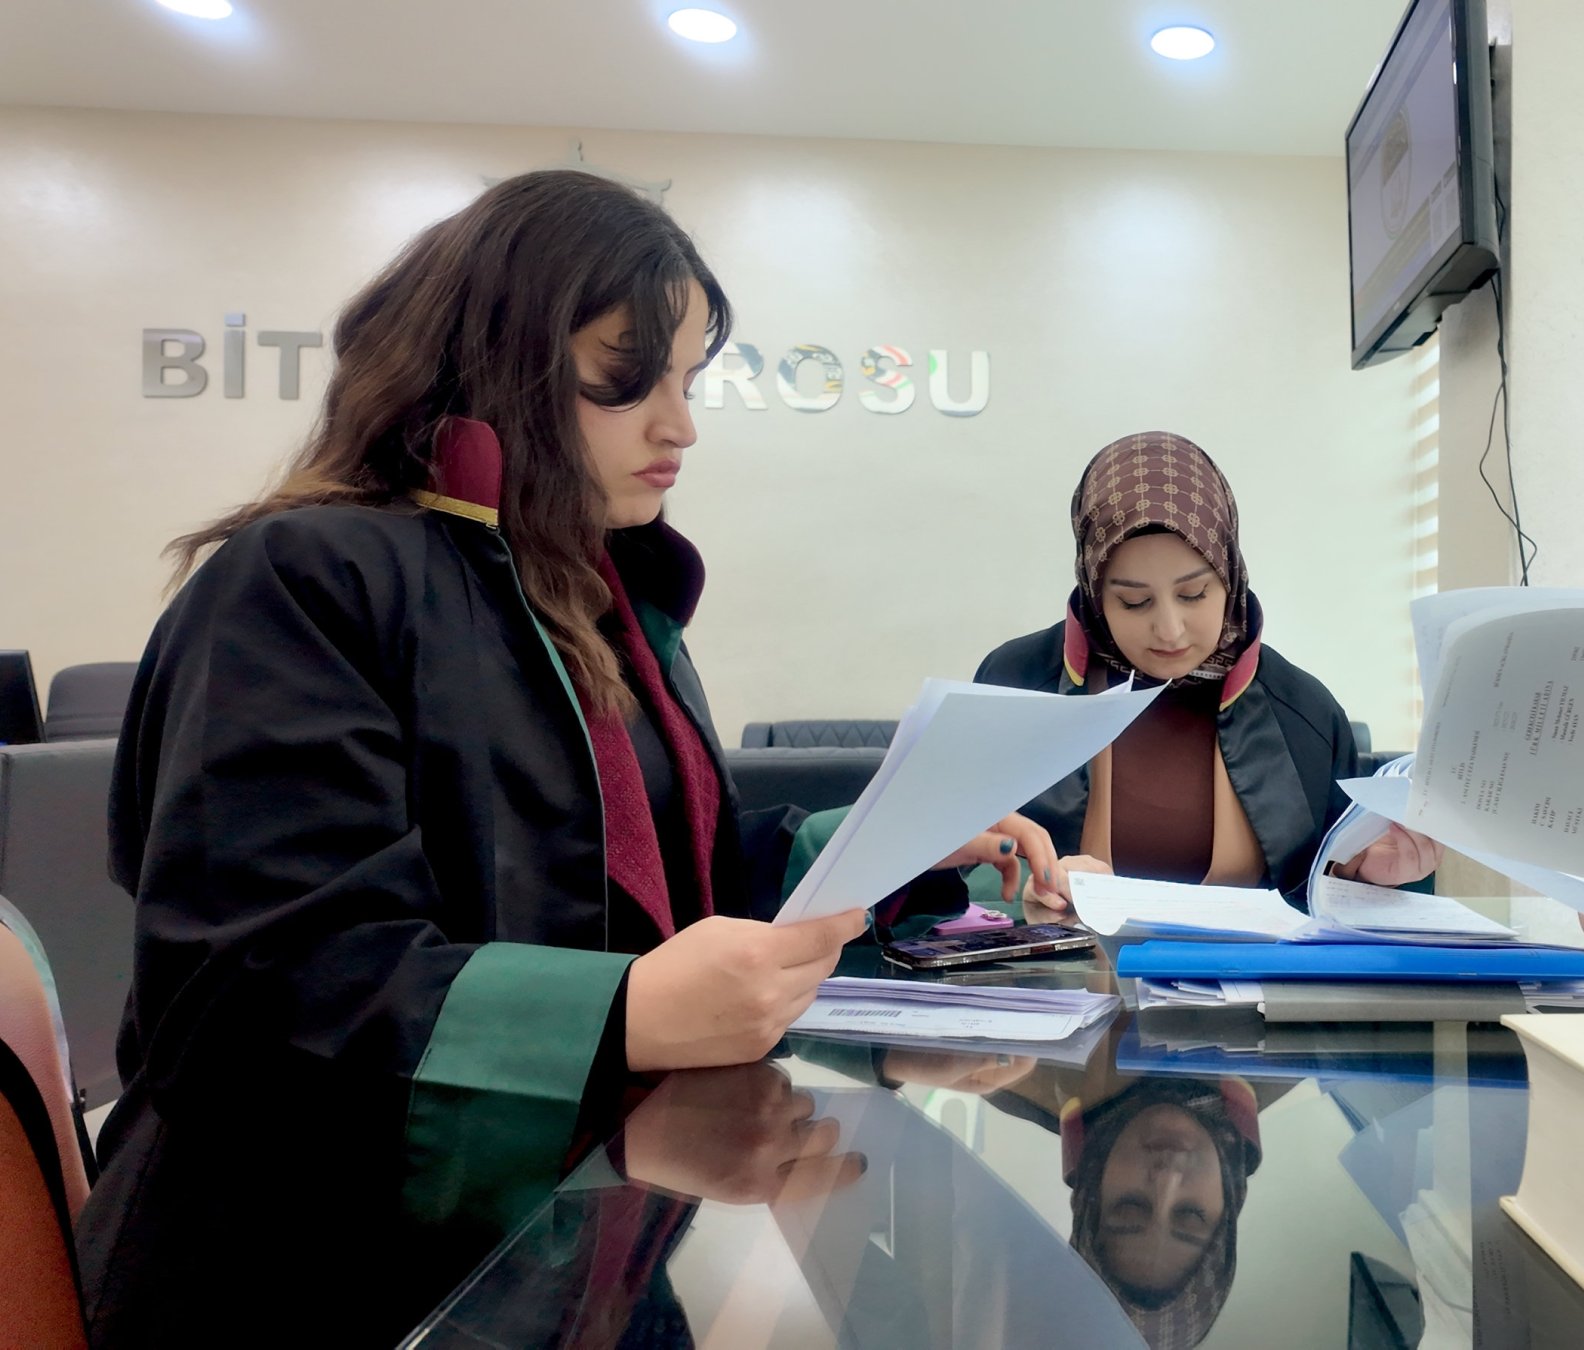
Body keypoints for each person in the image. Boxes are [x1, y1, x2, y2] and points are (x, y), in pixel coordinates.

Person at [78, 170, 1053, 1345]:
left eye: (688, 380)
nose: (678, 423)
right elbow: (256, 991)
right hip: (318, 1278)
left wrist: (877, 855)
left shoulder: (601, 600)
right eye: (623, 375)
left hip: (574, 1242)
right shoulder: (308, 579)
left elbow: (644, 888)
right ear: (491, 360)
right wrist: (624, 1013)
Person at [975, 431, 1441, 908]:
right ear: (1094, 589)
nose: (1170, 631)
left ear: (1230, 572)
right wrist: (1021, 892)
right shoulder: (1014, 683)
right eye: (1133, 601)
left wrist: (1368, 877)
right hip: (1058, 981)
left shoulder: (1304, 714)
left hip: (1246, 980)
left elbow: (1324, 889)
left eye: (1194, 594)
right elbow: (947, 873)